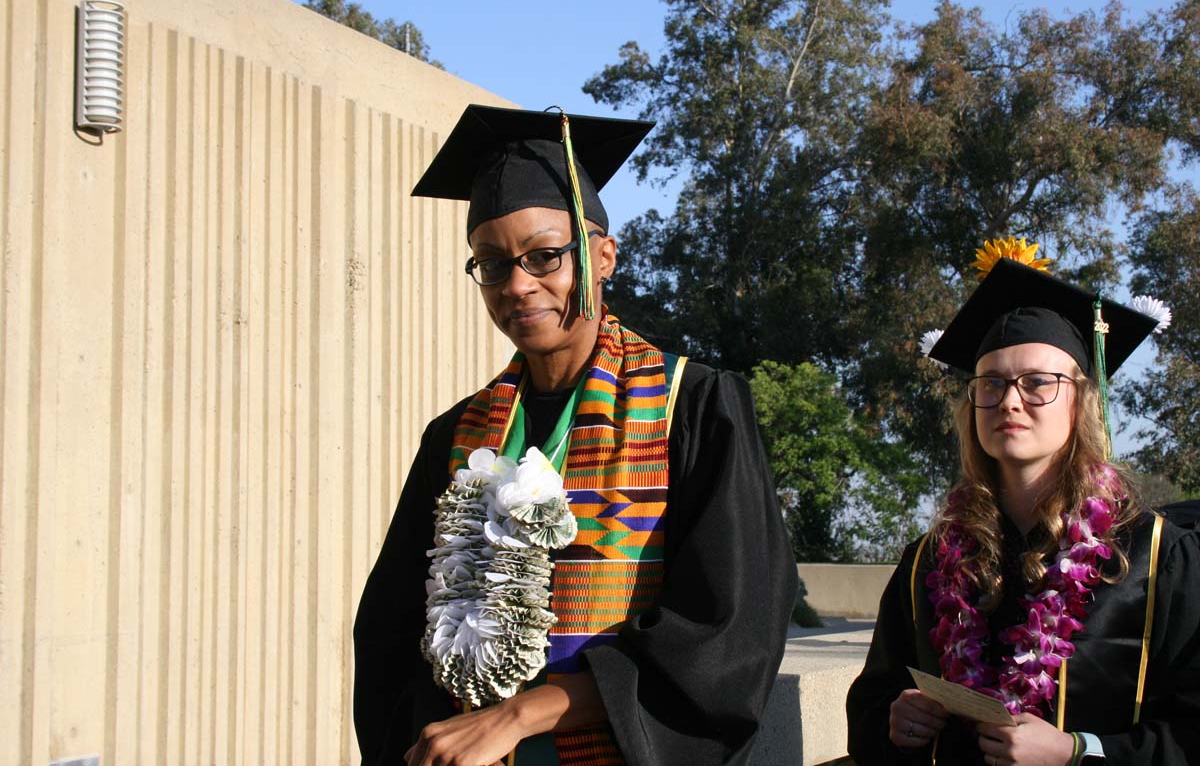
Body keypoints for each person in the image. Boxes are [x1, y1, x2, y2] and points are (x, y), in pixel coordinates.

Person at [353, 104, 796, 766]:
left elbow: (729, 630)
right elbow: (393, 631)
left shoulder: (694, 407)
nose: (519, 285)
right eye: (493, 264)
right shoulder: (457, 436)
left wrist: (524, 713)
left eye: (545, 256)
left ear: (604, 255)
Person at [846, 246, 1200, 765]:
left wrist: (1078, 752)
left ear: (1080, 401)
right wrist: (892, 721)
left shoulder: (1156, 556)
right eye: (990, 384)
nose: (1010, 400)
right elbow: (874, 700)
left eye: (1038, 383)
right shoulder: (928, 560)